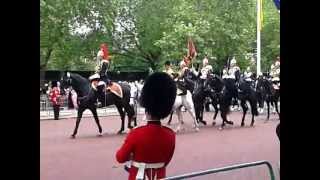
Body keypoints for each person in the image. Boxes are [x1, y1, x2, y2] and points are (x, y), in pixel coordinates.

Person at [116, 72, 177, 180]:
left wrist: (133, 156)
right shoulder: (170, 135)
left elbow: (120, 157)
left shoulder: (136, 133)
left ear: (146, 106)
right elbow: (166, 161)